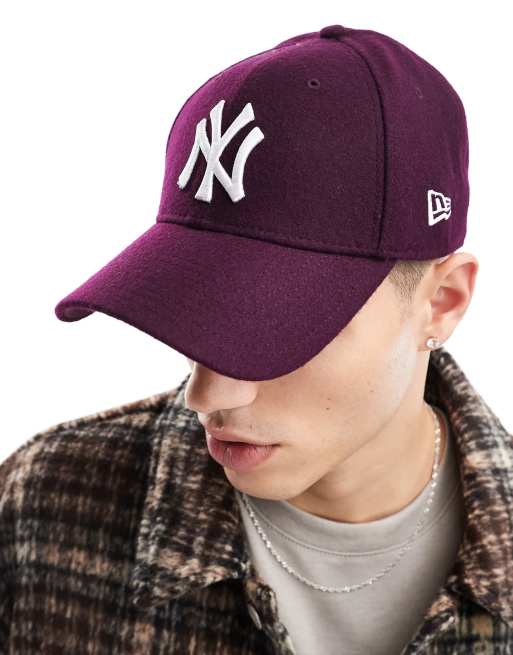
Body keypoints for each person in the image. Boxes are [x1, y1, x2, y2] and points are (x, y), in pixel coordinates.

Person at [1, 22, 511, 655]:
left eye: (283, 326)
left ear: (442, 301)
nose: (208, 394)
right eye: (195, 309)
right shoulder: (43, 505)